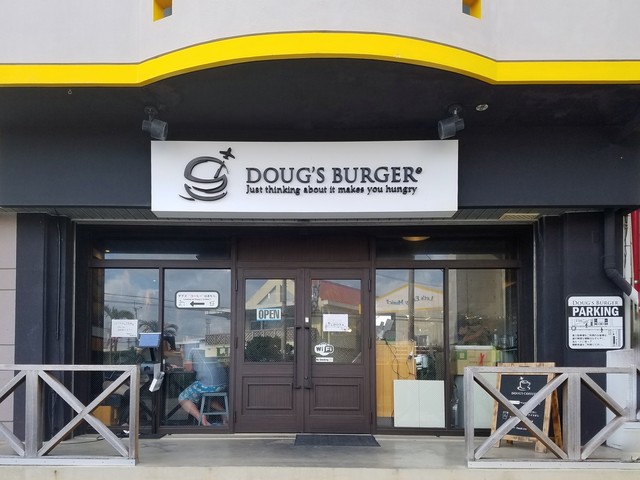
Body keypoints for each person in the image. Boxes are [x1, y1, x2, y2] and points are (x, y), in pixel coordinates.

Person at [178, 347, 228, 426]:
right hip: (223, 382)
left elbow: (188, 368)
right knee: (205, 396)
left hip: (208, 384)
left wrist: (182, 354)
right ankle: (224, 413)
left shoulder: (189, 347)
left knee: (183, 397)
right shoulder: (205, 345)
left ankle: (201, 418)